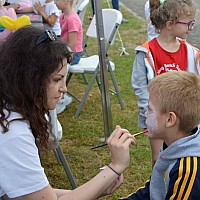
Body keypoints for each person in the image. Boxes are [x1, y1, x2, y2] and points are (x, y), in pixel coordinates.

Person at [0, 26, 136, 200]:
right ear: (29, 79)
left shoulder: (8, 109)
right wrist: (116, 166)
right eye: (57, 79)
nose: (64, 88)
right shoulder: (13, 133)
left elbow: (33, 193)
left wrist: (97, 187)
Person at [131, 0, 200, 167]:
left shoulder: (191, 52)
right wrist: (149, 110)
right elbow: (140, 86)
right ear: (170, 24)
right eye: (188, 23)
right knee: (158, 159)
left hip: (182, 119)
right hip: (157, 118)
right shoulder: (147, 52)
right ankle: (157, 191)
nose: (191, 28)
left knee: (181, 158)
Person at [120, 71, 200, 199]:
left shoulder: (187, 170)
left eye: (150, 109)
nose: (145, 114)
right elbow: (156, 188)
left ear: (169, 119)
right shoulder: (174, 142)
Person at [55, 0, 84, 114]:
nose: (55, 2)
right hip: (66, 51)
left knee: (57, 69)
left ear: (67, 1)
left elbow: (72, 44)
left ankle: (61, 99)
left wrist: (63, 57)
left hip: (73, 54)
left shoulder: (72, 19)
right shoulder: (63, 16)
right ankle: (61, 96)